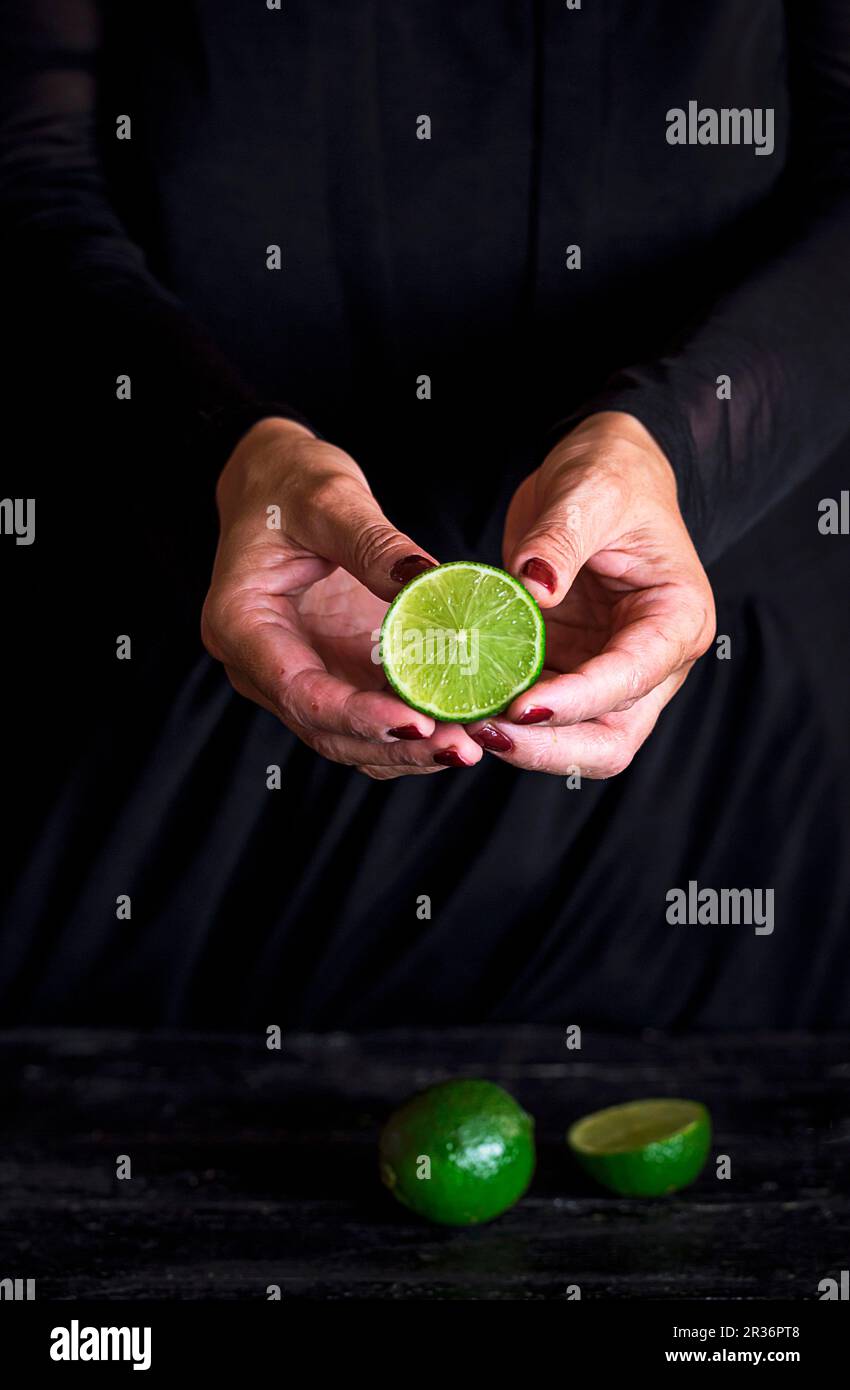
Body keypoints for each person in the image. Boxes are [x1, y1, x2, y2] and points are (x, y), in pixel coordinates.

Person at [1, 1, 848, 1027]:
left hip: (684, 700)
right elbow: (26, 174)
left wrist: (674, 453)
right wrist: (219, 454)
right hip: (173, 701)